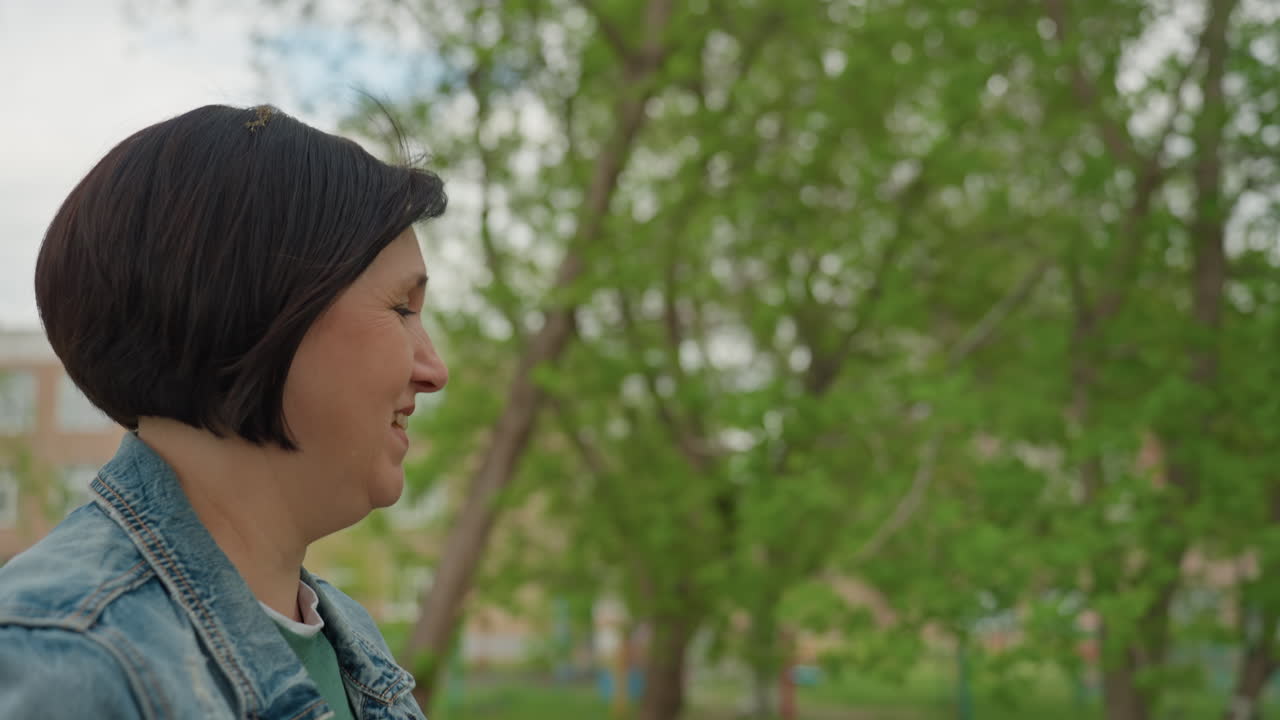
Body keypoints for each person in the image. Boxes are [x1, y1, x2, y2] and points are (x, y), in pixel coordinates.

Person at [0, 104, 449, 719]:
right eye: (402, 307)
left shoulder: (348, 641)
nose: (433, 371)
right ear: (253, 304)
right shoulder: (62, 664)